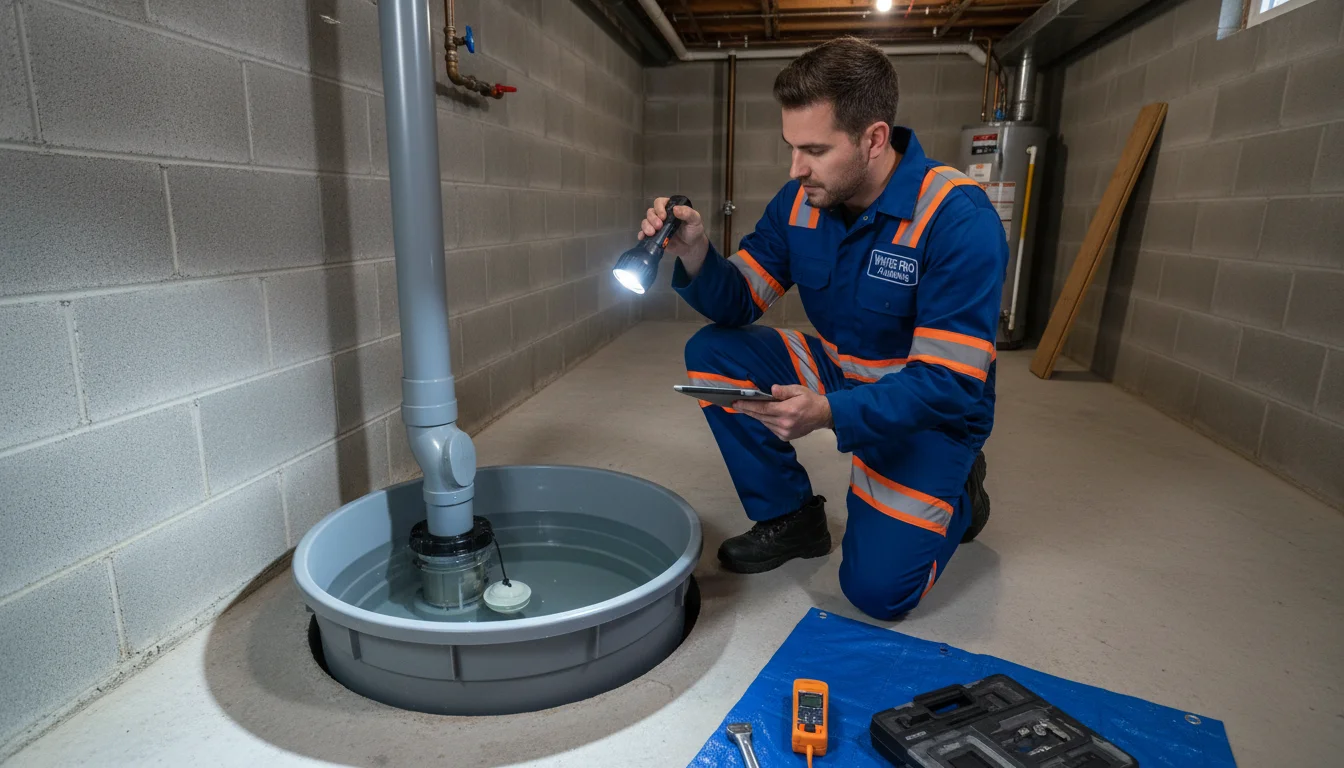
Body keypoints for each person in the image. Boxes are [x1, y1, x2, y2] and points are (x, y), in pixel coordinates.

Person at [637, 37, 1006, 621]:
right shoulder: (800, 201)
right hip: (841, 369)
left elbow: (950, 383)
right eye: (790, 147)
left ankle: (962, 493)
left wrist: (830, 413)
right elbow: (739, 304)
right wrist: (697, 253)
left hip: (927, 409)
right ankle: (793, 518)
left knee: (878, 593)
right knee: (716, 351)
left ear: (874, 139)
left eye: (813, 149)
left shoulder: (958, 218)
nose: (795, 168)